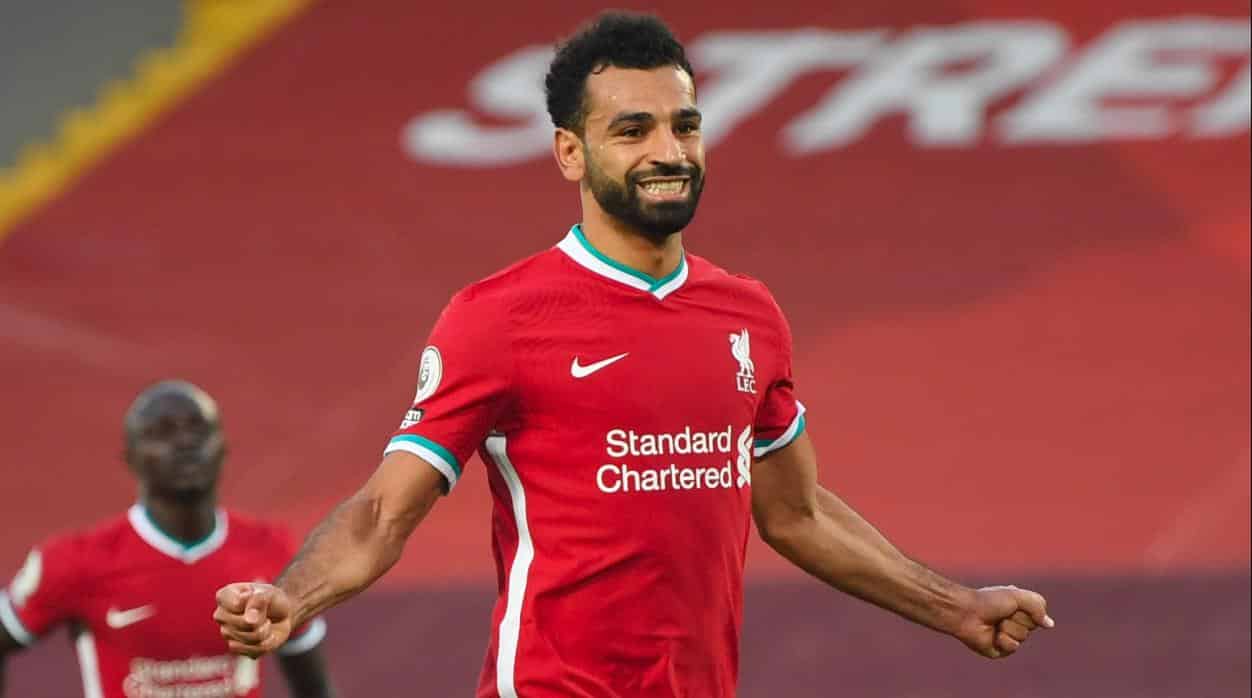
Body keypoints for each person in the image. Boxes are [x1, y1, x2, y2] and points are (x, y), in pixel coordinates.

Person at [213, 11, 1054, 698]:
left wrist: (953, 607)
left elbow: (796, 513)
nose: (669, 152)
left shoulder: (749, 314)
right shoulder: (498, 319)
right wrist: (292, 596)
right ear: (570, 152)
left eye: (685, 125)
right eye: (632, 130)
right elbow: (380, 515)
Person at [0, 380, 335, 698]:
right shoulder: (75, 561)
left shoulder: (271, 550)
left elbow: (316, 689)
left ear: (223, 447)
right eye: (162, 432)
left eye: (199, 429)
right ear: (130, 457)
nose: (185, 442)